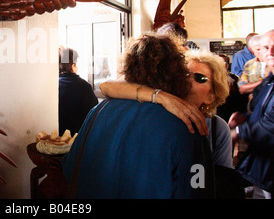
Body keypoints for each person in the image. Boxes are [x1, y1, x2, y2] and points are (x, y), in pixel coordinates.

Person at [62, 33, 214, 198]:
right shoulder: (187, 126)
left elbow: (70, 168)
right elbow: (196, 190)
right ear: (176, 71)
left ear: (128, 68)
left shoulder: (98, 111)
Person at [100, 49, 232, 168]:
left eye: (200, 78)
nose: (189, 80)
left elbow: (220, 181)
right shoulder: (158, 110)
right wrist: (160, 96)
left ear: (211, 96)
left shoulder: (216, 128)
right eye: (185, 74)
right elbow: (106, 86)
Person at [230, 29, 274, 198]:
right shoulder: (269, 82)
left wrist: (240, 131)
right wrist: (244, 120)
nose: (270, 52)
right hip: (263, 170)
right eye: (266, 47)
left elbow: (270, 127)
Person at [58, 47, 98, 135]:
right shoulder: (85, 87)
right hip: (77, 140)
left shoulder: (53, 85)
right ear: (73, 66)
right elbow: (95, 115)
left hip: (56, 138)